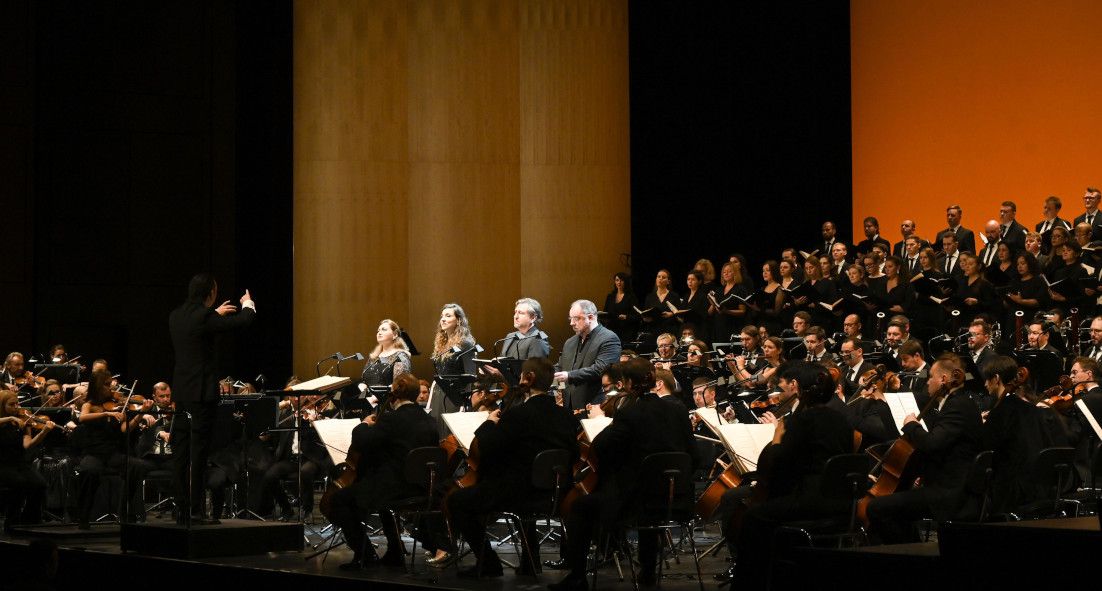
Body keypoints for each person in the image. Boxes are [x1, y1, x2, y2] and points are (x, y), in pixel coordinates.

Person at [550, 357, 695, 591]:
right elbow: (693, 455)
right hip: (676, 499)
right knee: (649, 493)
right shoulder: (678, 411)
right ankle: (647, 571)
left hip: (634, 503)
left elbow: (600, 448)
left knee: (580, 507)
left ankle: (578, 577)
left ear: (627, 383)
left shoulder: (630, 413)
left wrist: (603, 425)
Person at [719, 362, 853, 588]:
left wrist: (778, 437)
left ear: (801, 390)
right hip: (841, 502)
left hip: (810, 500)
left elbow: (780, 465)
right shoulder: (841, 420)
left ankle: (752, 583)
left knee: (753, 517)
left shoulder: (802, 421)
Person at [449, 357, 579, 577]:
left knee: (456, 500)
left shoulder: (517, 415)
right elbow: (574, 454)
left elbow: (489, 448)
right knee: (520, 481)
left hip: (519, 493)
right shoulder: (565, 415)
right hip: (556, 492)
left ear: (528, 378)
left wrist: (489, 422)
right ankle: (530, 561)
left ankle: (489, 563)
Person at [866, 353, 982, 544]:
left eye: (931, 377)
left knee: (876, 508)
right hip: (946, 484)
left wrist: (912, 425)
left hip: (950, 492)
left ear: (943, 379)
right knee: (895, 509)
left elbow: (932, 444)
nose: (928, 382)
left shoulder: (958, 406)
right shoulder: (958, 403)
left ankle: (909, 552)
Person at [327, 373, 440, 570]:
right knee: (379, 495)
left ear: (394, 393)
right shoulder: (430, 421)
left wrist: (363, 425)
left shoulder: (391, 420)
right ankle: (395, 551)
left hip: (396, 488)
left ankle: (366, 555)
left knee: (339, 500)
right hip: (423, 488)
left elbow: (363, 442)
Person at [168, 273, 256, 525]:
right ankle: (197, 511)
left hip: (182, 392)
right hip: (201, 393)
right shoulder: (205, 317)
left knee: (181, 453)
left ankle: (182, 510)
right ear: (210, 294)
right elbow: (243, 322)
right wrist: (248, 303)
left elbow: (199, 326)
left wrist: (214, 314)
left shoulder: (176, 315)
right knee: (199, 453)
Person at [74, 370, 154, 528]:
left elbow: (126, 429)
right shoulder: (89, 404)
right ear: (97, 386)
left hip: (112, 454)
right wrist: (106, 414)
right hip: (94, 453)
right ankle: (84, 516)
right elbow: (82, 418)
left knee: (138, 466)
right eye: (106, 385)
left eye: (110, 385)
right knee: (89, 471)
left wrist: (140, 414)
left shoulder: (118, 405)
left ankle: (126, 512)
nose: (111, 389)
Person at [0, 389, 54, 533]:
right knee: (19, 483)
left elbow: (27, 444)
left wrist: (44, 432)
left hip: (19, 463)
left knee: (40, 484)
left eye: (17, 403)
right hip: (3, 464)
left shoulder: (22, 422)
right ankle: (11, 521)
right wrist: (10, 419)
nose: (17, 407)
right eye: (11, 404)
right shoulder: (7, 421)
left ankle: (30, 520)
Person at [555, 300, 622, 412]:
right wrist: (544, 374)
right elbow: (561, 366)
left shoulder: (609, 338)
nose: (571, 323)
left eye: (576, 318)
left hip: (595, 405)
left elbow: (601, 369)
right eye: (570, 319)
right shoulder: (569, 342)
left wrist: (569, 375)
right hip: (569, 406)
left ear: (590, 317)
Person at [426, 303, 477, 435]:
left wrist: (463, 401)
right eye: (442, 316)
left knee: (450, 433)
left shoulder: (465, 343)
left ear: (458, 320)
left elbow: (470, 375)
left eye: (448, 316)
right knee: (437, 430)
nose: (443, 319)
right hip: (439, 391)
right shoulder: (441, 343)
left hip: (455, 394)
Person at [359, 319, 413, 412]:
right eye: (378, 330)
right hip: (370, 407)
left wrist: (375, 398)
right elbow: (364, 381)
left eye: (384, 329)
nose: (379, 332)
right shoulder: (374, 357)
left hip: (390, 408)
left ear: (395, 334)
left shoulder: (400, 356)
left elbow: (399, 385)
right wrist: (362, 389)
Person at [603, 273, 639, 344]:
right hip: (611, 331)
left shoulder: (631, 297)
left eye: (621, 280)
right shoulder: (610, 297)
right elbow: (606, 312)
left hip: (626, 332)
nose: (619, 282)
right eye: (617, 280)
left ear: (626, 282)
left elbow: (637, 316)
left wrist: (626, 317)